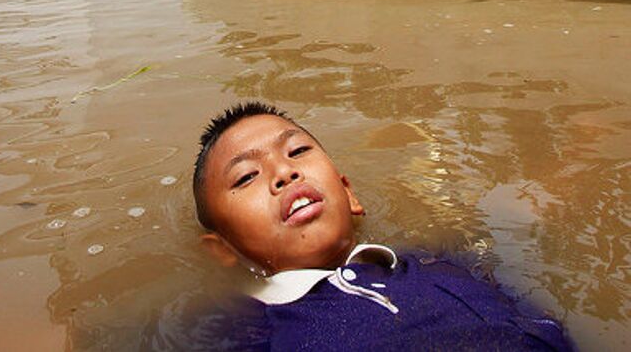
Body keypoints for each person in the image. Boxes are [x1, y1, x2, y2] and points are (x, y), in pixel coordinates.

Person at [174, 101, 575, 350]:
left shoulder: (442, 261)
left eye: (297, 151)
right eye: (246, 176)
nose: (284, 171)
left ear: (349, 195)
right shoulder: (240, 329)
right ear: (223, 250)